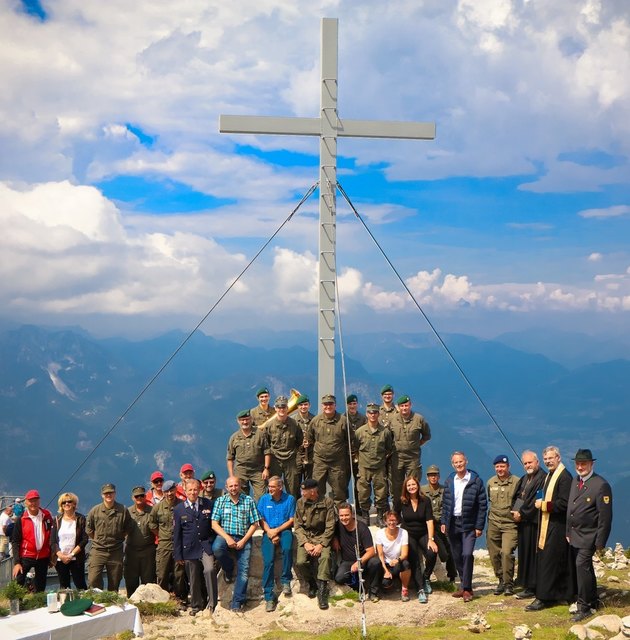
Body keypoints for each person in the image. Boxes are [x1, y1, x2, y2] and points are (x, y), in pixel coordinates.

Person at [525, 445, 574, 612]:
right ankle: (558, 594)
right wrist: (539, 499)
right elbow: (543, 492)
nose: (548, 461)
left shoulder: (564, 477)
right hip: (547, 523)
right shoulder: (550, 476)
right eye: (546, 459)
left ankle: (543, 597)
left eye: (551, 458)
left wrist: (544, 505)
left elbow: (564, 503)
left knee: (549, 561)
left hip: (558, 525)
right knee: (550, 560)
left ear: (558, 458)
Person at [566, 449, 613, 623]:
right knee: (585, 569)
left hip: (589, 536)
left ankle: (584, 606)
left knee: (581, 566)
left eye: (583, 463)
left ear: (591, 464)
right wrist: (568, 532)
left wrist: (600, 542)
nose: (580, 466)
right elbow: (570, 510)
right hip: (575, 535)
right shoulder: (575, 481)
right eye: (578, 463)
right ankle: (593, 600)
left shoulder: (601, 485)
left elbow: (605, 517)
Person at [440, 451, 487, 603]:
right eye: (455, 462)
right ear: (452, 464)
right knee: (457, 556)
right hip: (453, 523)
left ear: (466, 461)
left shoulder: (475, 481)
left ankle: (467, 589)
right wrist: (444, 522)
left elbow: (482, 505)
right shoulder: (449, 481)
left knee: (467, 554)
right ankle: (464, 585)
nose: (458, 464)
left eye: (461, 462)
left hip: (469, 524)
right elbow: (445, 504)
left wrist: (479, 526)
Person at [212, 476, 260, 612]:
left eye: (236, 486)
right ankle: (228, 568)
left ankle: (237, 603)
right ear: (226, 487)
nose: (233, 488)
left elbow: (255, 523)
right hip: (225, 536)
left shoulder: (248, 500)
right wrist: (227, 538)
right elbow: (214, 523)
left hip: (243, 537)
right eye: (230, 486)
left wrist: (244, 540)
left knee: (244, 571)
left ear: (240, 486)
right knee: (217, 548)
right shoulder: (221, 501)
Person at [173, 478, 218, 616]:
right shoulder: (179, 509)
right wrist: (178, 555)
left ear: (200, 490)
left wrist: (214, 543)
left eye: (195, 490)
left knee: (210, 570)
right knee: (193, 578)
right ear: (185, 491)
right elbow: (176, 534)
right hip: (189, 548)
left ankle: (212, 604)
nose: (193, 492)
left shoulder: (208, 504)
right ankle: (196, 606)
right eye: (190, 490)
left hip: (205, 545)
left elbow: (214, 525)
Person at [294, 478, 335, 610]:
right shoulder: (300, 503)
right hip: (307, 537)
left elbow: (330, 526)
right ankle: (312, 583)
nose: (302, 493)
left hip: (322, 536)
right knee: (300, 562)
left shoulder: (327, 502)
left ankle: (322, 590)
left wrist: (321, 545)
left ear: (313, 491)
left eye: (304, 490)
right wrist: (305, 543)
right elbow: (298, 526)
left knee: (325, 558)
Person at [257, 476, 296, 611]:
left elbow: (291, 520)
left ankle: (286, 580)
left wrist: (277, 531)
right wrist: (269, 532)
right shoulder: (264, 499)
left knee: (287, 548)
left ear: (280, 487)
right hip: (268, 531)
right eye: (269, 486)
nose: (270, 489)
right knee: (268, 561)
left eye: (273, 487)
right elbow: (260, 518)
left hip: (284, 530)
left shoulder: (289, 499)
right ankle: (269, 596)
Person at [86, 483, 133, 591]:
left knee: (115, 580)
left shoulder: (123, 510)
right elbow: (89, 530)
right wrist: (98, 540)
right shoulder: (95, 511)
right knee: (93, 579)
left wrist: (119, 538)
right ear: (102, 495)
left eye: (111, 493)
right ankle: (98, 602)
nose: (108, 495)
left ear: (115, 494)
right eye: (106, 493)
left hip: (115, 551)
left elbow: (128, 527)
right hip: (98, 550)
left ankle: (112, 603)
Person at [512, 450, 546, 599]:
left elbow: (537, 502)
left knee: (533, 556)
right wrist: (514, 511)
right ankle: (525, 583)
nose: (527, 465)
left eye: (530, 462)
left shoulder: (543, 478)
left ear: (537, 462)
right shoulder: (525, 479)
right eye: (525, 463)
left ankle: (533, 586)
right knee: (524, 554)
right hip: (522, 523)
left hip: (534, 523)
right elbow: (518, 496)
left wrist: (522, 513)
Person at [399, 476, 438, 603]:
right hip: (408, 534)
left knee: (432, 553)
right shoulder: (402, 501)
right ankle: (420, 589)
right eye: (409, 485)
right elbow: (394, 516)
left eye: (413, 485)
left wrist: (431, 539)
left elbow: (429, 520)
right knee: (414, 559)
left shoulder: (425, 500)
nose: (411, 487)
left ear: (418, 485)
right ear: (406, 487)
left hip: (422, 533)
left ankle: (426, 577)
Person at [309, 394, 354, 505]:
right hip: (320, 462)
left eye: (330, 404)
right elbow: (310, 440)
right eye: (326, 404)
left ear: (335, 405)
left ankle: (341, 518)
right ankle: (320, 516)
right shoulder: (315, 421)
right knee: (317, 491)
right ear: (322, 405)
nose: (328, 406)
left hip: (338, 462)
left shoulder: (343, 421)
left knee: (339, 491)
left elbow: (350, 439)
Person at [389, 395, 431, 511]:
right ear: (399, 407)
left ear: (410, 405)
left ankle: (414, 510)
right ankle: (397, 511)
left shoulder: (419, 419)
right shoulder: (393, 419)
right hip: (397, 457)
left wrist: (416, 445)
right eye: (402, 406)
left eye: (406, 405)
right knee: (397, 486)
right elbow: (388, 436)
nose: (404, 408)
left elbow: (427, 435)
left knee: (413, 484)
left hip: (413, 458)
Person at [149, 480, 187, 605]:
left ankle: (180, 599)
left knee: (179, 574)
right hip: (164, 544)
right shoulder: (157, 507)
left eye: (171, 490)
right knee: (162, 572)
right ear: (163, 492)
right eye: (166, 491)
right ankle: (162, 601)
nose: (169, 494)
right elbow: (152, 524)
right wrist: (161, 535)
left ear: (176, 490)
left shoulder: (182, 505)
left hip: (179, 544)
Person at [333, 503, 381, 602]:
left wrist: (358, 562)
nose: (344, 518)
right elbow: (330, 531)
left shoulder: (362, 528)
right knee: (339, 578)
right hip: (347, 561)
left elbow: (371, 551)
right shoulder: (338, 525)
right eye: (341, 515)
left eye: (346, 515)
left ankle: (373, 592)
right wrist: (335, 539)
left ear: (352, 514)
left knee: (375, 562)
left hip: (363, 561)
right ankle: (358, 586)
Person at [355, 402, 393, 526]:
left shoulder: (385, 432)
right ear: (367, 414)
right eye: (370, 412)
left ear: (378, 414)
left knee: (381, 492)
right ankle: (365, 516)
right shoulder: (360, 432)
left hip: (379, 467)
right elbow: (355, 448)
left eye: (375, 412)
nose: (373, 415)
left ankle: (380, 516)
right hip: (364, 467)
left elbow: (389, 448)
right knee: (363, 492)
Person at [486, 454, 519, 596]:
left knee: (506, 552)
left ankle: (508, 583)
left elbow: (521, 500)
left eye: (502, 466)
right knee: (494, 554)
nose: (500, 469)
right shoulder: (490, 482)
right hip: (493, 522)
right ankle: (500, 580)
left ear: (508, 467)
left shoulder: (517, 482)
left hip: (510, 524)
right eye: (497, 467)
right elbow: (489, 499)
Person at [11, 489, 55, 592]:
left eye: (35, 500)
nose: (33, 503)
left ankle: (38, 602)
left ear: (39, 501)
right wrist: (17, 562)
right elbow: (15, 541)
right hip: (26, 556)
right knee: (19, 580)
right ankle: (17, 604)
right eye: (30, 501)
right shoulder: (21, 519)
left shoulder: (47, 515)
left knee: (41, 584)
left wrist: (52, 556)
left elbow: (52, 537)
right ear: (26, 503)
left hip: (43, 556)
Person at [421, 465, 457, 583]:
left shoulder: (444, 490)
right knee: (438, 552)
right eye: (431, 475)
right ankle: (427, 576)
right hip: (428, 524)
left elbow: (448, 507)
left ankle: (452, 574)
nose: (433, 477)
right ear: (427, 477)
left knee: (450, 547)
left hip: (442, 523)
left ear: (439, 476)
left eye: (435, 475)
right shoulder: (422, 491)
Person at [227, 409, 270, 501]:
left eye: (247, 419)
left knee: (261, 497)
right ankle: (243, 515)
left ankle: (259, 515)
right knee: (241, 497)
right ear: (238, 421)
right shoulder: (234, 437)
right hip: (241, 471)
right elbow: (230, 458)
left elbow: (267, 452)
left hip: (258, 470)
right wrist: (231, 476)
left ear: (251, 419)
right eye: (242, 420)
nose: (245, 422)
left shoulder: (260, 434)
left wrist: (266, 469)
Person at [266, 396, 304, 498]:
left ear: (287, 408)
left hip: (291, 460)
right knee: (273, 489)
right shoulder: (269, 426)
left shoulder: (295, 424)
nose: (281, 409)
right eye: (279, 407)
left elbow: (300, 441)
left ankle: (292, 513)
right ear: (275, 408)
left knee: (293, 490)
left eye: (283, 407)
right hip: (275, 460)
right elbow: (266, 445)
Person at [124, 486, 156, 597]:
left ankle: (149, 606)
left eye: (142, 495)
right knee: (131, 580)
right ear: (133, 498)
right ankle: (132, 605)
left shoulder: (152, 511)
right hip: (131, 551)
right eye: (137, 496)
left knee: (148, 581)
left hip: (148, 550)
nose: (139, 498)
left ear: (145, 496)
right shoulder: (127, 512)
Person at [53, 492, 88, 590]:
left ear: (74, 504)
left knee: (80, 585)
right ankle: (66, 604)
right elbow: (53, 540)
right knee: (64, 586)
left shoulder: (81, 519)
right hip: (61, 559)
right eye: (64, 502)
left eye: (69, 501)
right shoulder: (56, 520)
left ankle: (84, 604)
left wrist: (71, 555)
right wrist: (60, 555)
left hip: (76, 558)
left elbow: (84, 539)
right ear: (61, 505)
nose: (66, 504)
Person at [375, 511, 412, 602]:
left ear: (397, 521)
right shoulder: (379, 534)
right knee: (385, 585)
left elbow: (405, 554)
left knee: (406, 564)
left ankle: (404, 589)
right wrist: (385, 570)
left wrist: (397, 560)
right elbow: (380, 555)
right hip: (386, 564)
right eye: (389, 520)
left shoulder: (403, 533)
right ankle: (389, 583)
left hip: (397, 562)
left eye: (394, 520)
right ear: (385, 521)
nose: (392, 523)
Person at [292, 394, 315, 481]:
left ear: (309, 405)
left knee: (309, 483)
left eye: (305, 404)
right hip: (296, 456)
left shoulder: (315, 419)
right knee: (295, 484)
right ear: (297, 406)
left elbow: (318, 436)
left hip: (310, 455)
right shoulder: (292, 420)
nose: (303, 407)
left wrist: (310, 442)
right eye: (301, 405)